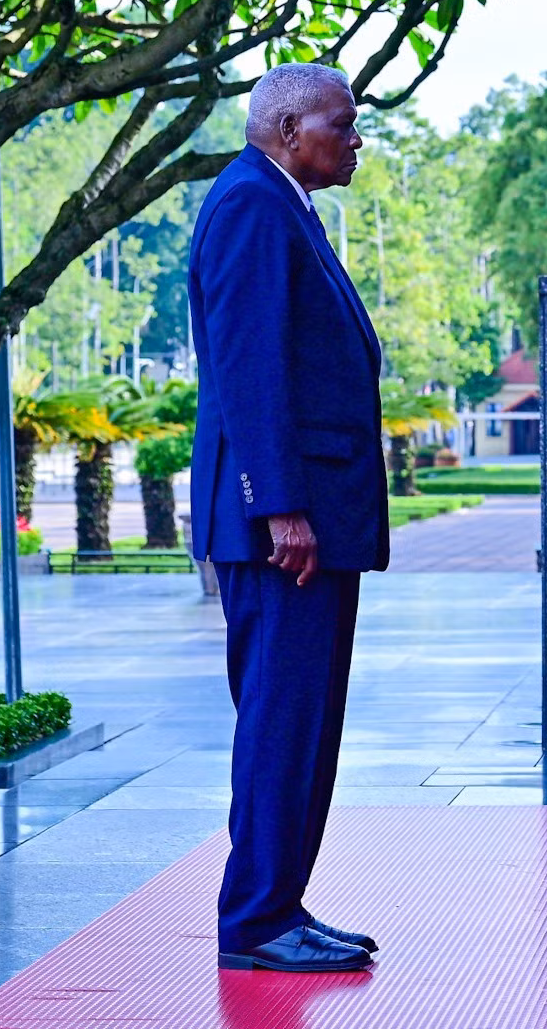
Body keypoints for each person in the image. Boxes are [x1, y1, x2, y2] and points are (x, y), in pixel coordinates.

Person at [188, 63, 389, 973]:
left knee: (303, 723)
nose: (355, 141)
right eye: (341, 125)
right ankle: (258, 920)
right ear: (287, 129)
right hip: (283, 534)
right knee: (281, 722)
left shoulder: (281, 204)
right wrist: (281, 509)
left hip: (309, 522)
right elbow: (249, 370)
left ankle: (280, 906)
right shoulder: (251, 206)